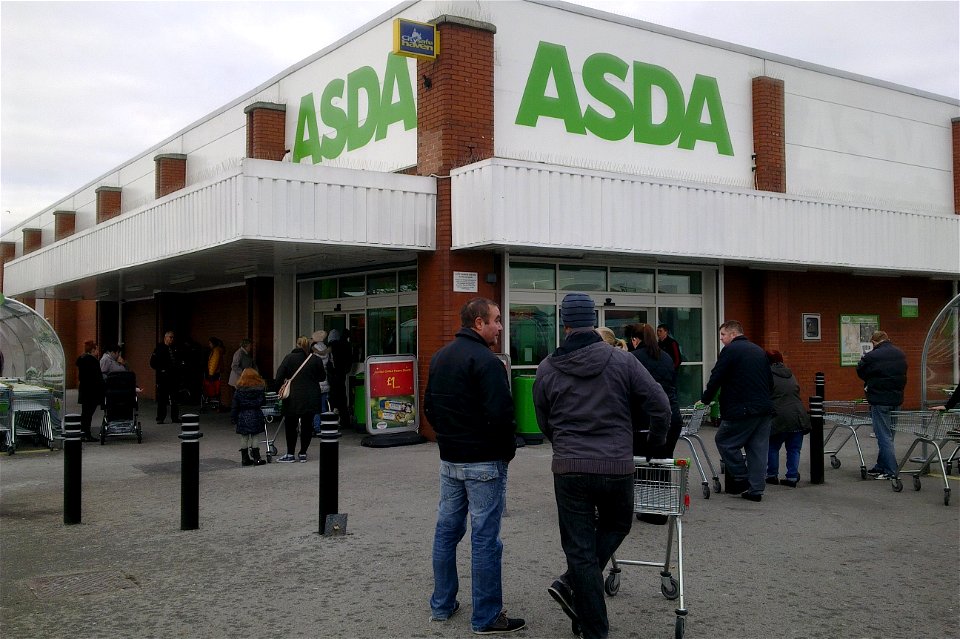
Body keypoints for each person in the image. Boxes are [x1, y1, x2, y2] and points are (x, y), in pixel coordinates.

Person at [534, 293, 670, 639]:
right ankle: (574, 591)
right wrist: (653, 444)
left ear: (563, 324)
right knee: (618, 523)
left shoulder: (547, 368)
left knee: (579, 551)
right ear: (593, 322)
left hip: (569, 468)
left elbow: (543, 419)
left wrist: (563, 444)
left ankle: (582, 604)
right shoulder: (621, 361)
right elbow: (660, 405)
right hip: (616, 465)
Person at [423, 297, 525, 634]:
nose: (499, 327)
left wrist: (449, 437)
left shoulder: (440, 357)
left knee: (446, 531)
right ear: (478, 322)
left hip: (450, 459)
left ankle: (442, 604)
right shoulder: (487, 361)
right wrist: (506, 449)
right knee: (485, 538)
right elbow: (502, 414)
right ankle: (486, 616)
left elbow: (429, 407)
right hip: (483, 460)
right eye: (496, 320)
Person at [700, 320, 773, 502]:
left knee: (724, 440)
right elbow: (770, 382)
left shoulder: (730, 351)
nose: (722, 340)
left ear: (733, 334)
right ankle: (756, 490)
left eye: (723, 335)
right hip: (763, 409)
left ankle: (741, 477)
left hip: (741, 409)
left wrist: (705, 400)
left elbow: (716, 377)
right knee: (757, 450)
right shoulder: (759, 351)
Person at [630, 323, 684, 523]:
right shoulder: (666, 357)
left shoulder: (634, 358)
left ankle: (646, 507)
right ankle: (660, 509)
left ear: (636, 340)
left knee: (643, 464)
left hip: (645, 420)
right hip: (672, 418)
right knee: (663, 462)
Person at [855, 330, 908, 480]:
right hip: (896, 399)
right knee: (889, 435)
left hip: (879, 399)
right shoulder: (900, 353)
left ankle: (891, 471)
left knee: (883, 436)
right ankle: (881, 466)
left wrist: (870, 380)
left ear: (874, 342)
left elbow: (860, 370)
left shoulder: (872, 356)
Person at [274, 336, 325, 463]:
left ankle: (290, 453)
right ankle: (303, 453)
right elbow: (322, 377)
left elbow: (279, 376)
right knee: (307, 425)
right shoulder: (315, 359)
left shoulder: (288, 358)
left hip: (293, 398)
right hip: (311, 397)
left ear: (296, 345)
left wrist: (278, 390)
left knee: (291, 426)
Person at [765, 350, 811, 488]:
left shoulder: (767, 375)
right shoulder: (790, 374)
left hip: (778, 416)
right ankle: (792, 476)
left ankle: (772, 475)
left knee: (772, 447)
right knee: (794, 449)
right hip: (797, 415)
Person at [231, 367, 267, 466]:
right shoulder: (260, 388)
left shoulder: (239, 389)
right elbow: (263, 402)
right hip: (256, 414)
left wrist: (233, 417)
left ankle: (245, 459)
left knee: (244, 437)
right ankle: (257, 458)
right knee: (255, 436)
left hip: (243, 414)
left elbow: (235, 405)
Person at [150, 330, 183, 424]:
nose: (172, 339)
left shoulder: (174, 348)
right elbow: (153, 363)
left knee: (174, 398)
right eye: (170, 337)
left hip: (173, 377)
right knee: (162, 398)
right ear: (165, 337)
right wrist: (161, 369)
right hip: (163, 377)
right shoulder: (159, 348)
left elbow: (178, 360)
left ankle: (175, 417)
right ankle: (160, 417)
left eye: (173, 337)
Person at [75, 340, 104, 442]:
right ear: (93, 350)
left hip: (84, 390)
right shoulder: (93, 361)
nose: (98, 351)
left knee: (85, 413)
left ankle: (83, 432)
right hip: (92, 391)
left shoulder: (81, 360)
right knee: (89, 414)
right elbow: (98, 377)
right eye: (96, 349)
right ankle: (87, 434)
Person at [326, 329, 352, 429]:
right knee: (342, 399)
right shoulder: (347, 345)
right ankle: (345, 421)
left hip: (333, 376)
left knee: (332, 399)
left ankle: (331, 421)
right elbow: (348, 360)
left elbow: (329, 362)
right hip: (341, 375)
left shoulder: (332, 346)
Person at [311, 330, 333, 433]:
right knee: (323, 405)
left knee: (315, 406)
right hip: (325, 380)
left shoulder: (314, 351)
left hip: (316, 382)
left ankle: (316, 426)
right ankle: (324, 425)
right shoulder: (326, 349)